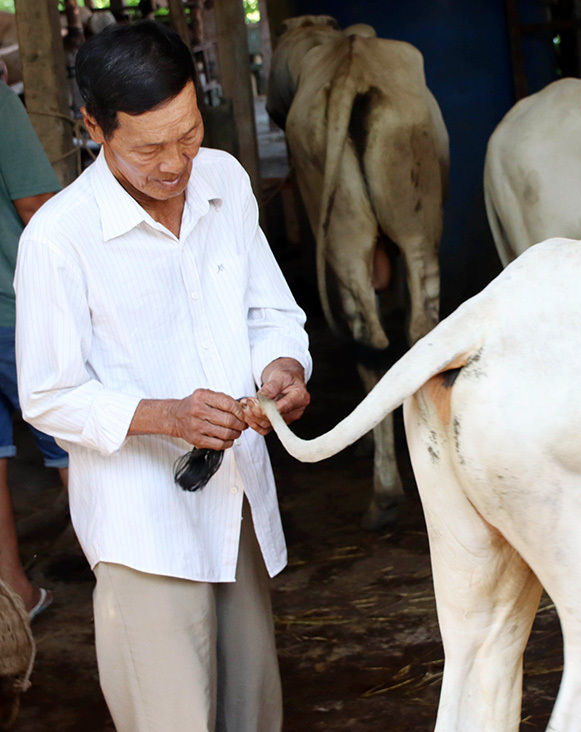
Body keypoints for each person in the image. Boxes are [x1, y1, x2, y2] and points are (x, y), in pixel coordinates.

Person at [14, 21, 312, 732]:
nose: (176, 163)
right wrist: (165, 416)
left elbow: (269, 307)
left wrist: (282, 365)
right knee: (171, 716)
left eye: (189, 133)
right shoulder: (59, 239)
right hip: (142, 524)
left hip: (232, 501)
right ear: (94, 126)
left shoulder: (225, 180)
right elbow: (46, 394)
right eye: (150, 147)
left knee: (252, 711)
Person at [0, 78, 68, 622]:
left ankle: (14, 595)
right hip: (13, 311)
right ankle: (122, 575)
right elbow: (36, 204)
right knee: (76, 439)